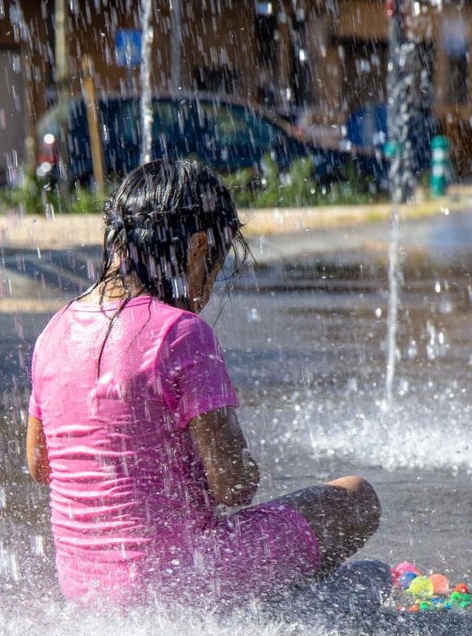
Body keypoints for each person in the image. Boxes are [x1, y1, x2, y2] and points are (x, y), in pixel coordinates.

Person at [26, 159, 381, 609]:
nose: (210, 286)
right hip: (181, 584)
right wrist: (240, 461)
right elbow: (233, 485)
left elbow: (42, 465)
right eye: (216, 265)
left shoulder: (56, 329)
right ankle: (286, 598)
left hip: (85, 590)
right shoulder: (180, 333)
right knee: (354, 497)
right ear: (197, 248)